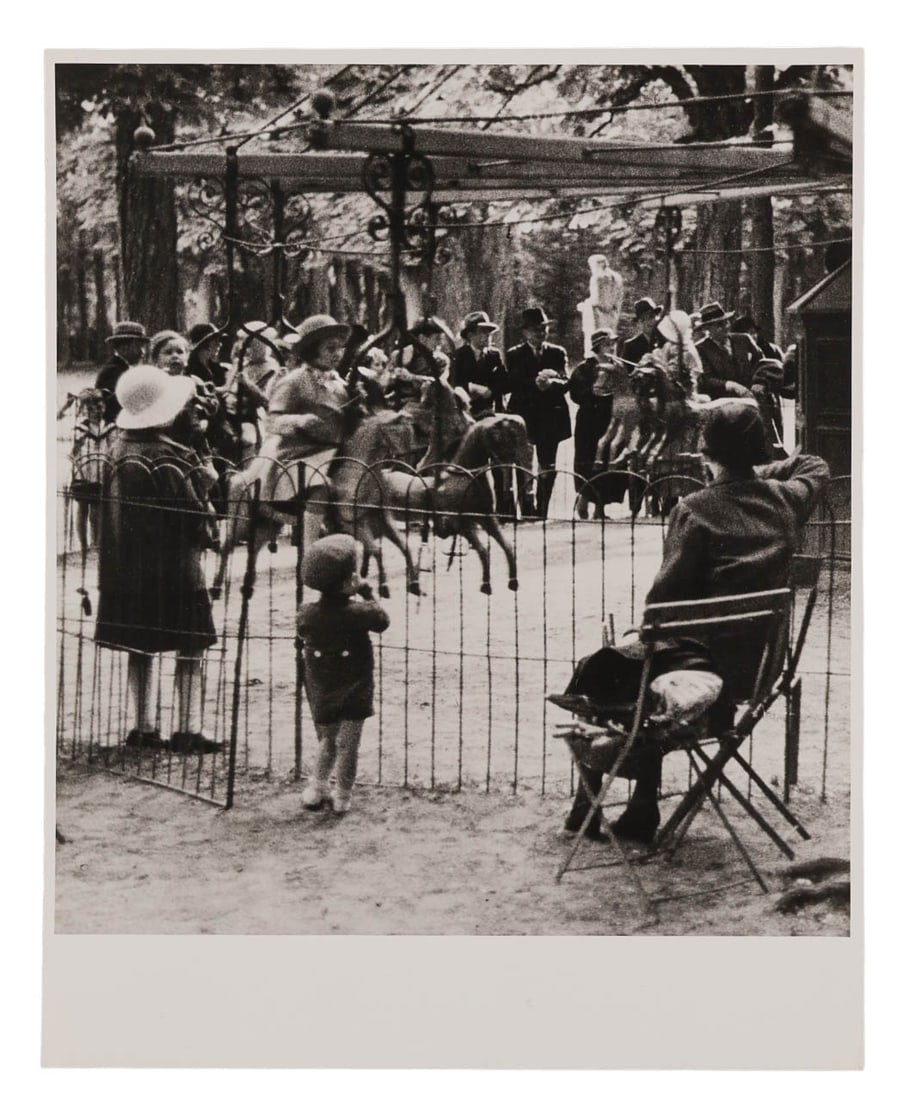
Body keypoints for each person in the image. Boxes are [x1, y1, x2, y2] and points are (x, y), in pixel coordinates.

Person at [556, 402, 829, 844]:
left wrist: (641, 634)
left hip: (698, 671)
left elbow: (662, 606)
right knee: (650, 663)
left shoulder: (695, 508)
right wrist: (759, 470)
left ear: (706, 454)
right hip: (755, 669)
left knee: (605, 666)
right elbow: (814, 463)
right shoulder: (788, 499)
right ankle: (639, 807)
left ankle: (593, 803)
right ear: (756, 452)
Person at [95, 366, 220, 754]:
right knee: (191, 647)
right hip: (176, 571)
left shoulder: (118, 448)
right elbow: (193, 517)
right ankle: (188, 729)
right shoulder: (167, 457)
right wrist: (209, 486)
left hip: (125, 570)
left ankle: (144, 727)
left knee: (140, 647)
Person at [297, 534, 390, 815]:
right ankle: (343, 794)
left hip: (323, 690)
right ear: (350, 581)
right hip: (354, 690)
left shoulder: (307, 613)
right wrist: (368, 592)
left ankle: (317, 786)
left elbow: (303, 630)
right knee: (348, 745)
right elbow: (382, 620)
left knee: (328, 740)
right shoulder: (359, 613)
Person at [251, 314, 352, 551]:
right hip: (298, 455)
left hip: (333, 453)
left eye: (340, 348)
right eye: (330, 348)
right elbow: (272, 420)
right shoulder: (294, 381)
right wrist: (300, 420)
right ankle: (310, 549)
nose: (337, 354)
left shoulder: (339, 384)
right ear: (312, 350)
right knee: (320, 486)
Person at [505, 307, 571, 519]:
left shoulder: (557, 353)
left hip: (550, 416)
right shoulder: (515, 354)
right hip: (524, 415)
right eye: (535, 330)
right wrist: (535, 383)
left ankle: (542, 509)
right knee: (523, 462)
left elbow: (566, 381)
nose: (540, 333)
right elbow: (512, 382)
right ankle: (526, 508)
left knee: (548, 464)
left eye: (543, 328)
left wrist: (550, 384)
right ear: (525, 332)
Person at [451, 310, 515, 515]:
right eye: (482, 333)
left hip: (490, 412)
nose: (487, 338)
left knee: (501, 459)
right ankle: (471, 509)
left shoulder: (494, 355)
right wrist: (472, 388)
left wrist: (490, 390)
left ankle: (505, 509)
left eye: (489, 333)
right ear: (470, 335)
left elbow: (505, 383)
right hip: (467, 415)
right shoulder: (459, 356)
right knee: (472, 461)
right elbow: (454, 384)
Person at [568, 327, 619, 519]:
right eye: (607, 345)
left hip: (609, 418)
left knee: (606, 461)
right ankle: (584, 498)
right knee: (588, 461)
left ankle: (600, 508)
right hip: (589, 422)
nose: (611, 348)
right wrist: (593, 390)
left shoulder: (616, 366)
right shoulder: (585, 368)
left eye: (613, 344)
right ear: (597, 347)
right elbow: (575, 394)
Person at [95, 320, 148, 425]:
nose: (143, 352)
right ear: (124, 348)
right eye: (139, 346)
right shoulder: (114, 371)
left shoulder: (120, 368)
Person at [186, 323, 228, 388]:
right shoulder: (190, 370)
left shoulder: (215, 366)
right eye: (216, 341)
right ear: (205, 344)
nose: (220, 344)